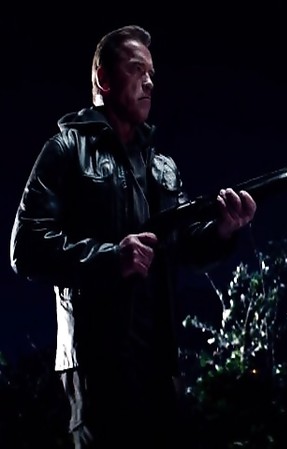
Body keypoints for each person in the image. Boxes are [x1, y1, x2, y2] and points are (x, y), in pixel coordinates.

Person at [9, 24, 257, 448]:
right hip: (95, 364)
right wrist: (111, 258)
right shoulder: (66, 150)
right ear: (104, 79)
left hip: (160, 362)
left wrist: (222, 230)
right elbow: (25, 247)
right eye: (136, 69)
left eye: (152, 73)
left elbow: (183, 248)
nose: (149, 82)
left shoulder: (162, 166)